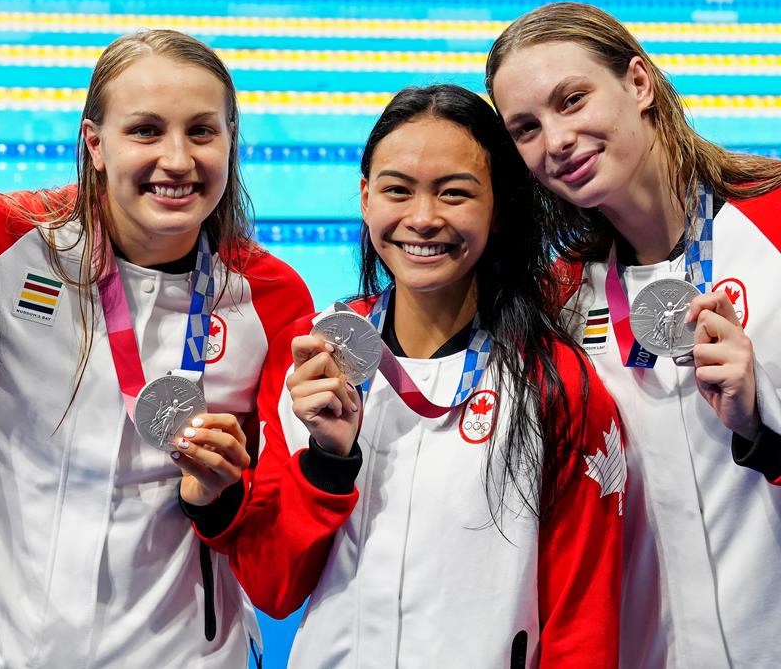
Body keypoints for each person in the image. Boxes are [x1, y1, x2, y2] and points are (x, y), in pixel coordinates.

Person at [194, 84, 624, 667]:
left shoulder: (555, 381)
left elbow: (583, 617)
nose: (423, 219)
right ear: (367, 198)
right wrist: (326, 459)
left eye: (454, 194)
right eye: (398, 191)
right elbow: (272, 588)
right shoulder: (310, 356)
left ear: (498, 209)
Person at [0, 30, 313, 667]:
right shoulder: (1, 241)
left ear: (231, 140)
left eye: (201, 131)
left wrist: (227, 493)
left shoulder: (271, 297)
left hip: (185, 652)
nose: (177, 159)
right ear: (95, 143)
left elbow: (278, 530)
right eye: (145, 130)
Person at [485, 2, 781, 668]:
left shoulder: (773, 224)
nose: (556, 140)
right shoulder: (556, 299)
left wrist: (762, 420)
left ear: (639, 84)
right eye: (526, 128)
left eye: (572, 100)